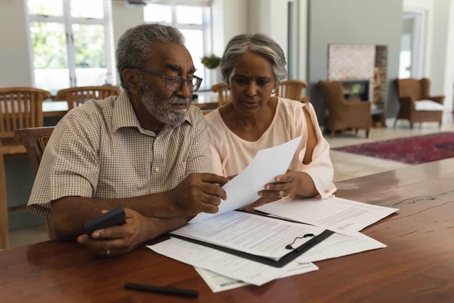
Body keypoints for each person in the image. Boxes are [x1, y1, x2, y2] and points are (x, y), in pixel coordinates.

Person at [27, 24, 228, 257]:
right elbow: (64, 218)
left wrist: (149, 228)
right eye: (173, 78)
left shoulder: (192, 120)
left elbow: (197, 203)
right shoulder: (84, 123)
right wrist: (171, 201)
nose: (186, 92)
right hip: (96, 264)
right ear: (133, 80)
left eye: (190, 78)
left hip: (173, 253)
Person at [206, 33, 336, 206]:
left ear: (275, 83)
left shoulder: (295, 115)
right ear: (227, 79)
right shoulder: (209, 128)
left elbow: (322, 173)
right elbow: (213, 197)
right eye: (241, 80)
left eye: (262, 82)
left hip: (294, 217)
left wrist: (296, 182)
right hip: (235, 225)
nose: (251, 91)